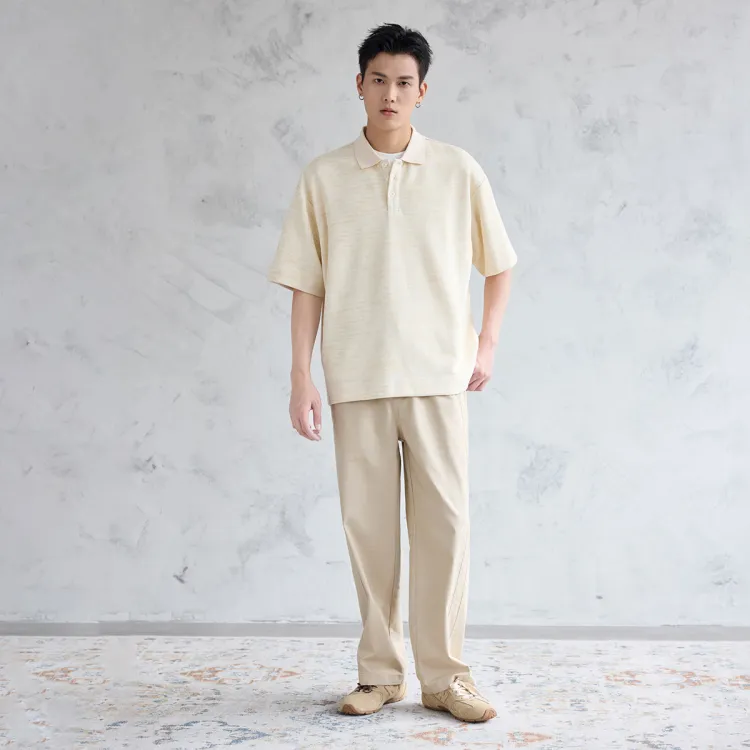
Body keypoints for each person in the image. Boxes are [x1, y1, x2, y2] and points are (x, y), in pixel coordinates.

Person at [267, 23, 516, 723]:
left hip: (438, 376)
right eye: (379, 79)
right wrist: (301, 376)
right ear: (359, 85)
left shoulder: (458, 170)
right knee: (369, 532)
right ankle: (380, 673)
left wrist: (486, 346)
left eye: (405, 82)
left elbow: (499, 264)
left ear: (422, 91)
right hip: (358, 377)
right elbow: (306, 284)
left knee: (445, 528)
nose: (391, 93)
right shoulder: (324, 177)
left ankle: (446, 678)